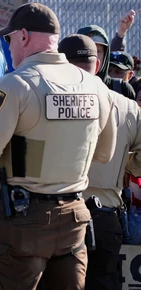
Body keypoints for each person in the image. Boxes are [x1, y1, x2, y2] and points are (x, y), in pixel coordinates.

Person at [0, 3, 117, 290]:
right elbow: (104, 154)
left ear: (23, 36)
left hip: (23, 221)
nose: (8, 47)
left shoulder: (15, 85)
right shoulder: (95, 86)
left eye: (9, 39)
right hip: (73, 218)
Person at [59, 33, 141, 289]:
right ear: (97, 66)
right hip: (105, 215)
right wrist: (122, 164)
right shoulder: (127, 107)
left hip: (56, 213)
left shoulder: (41, 101)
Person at [77, 25, 136, 100]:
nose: (94, 56)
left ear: (105, 54)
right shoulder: (67, 86)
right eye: (88, 50)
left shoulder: (122, 88)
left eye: (98, 51)